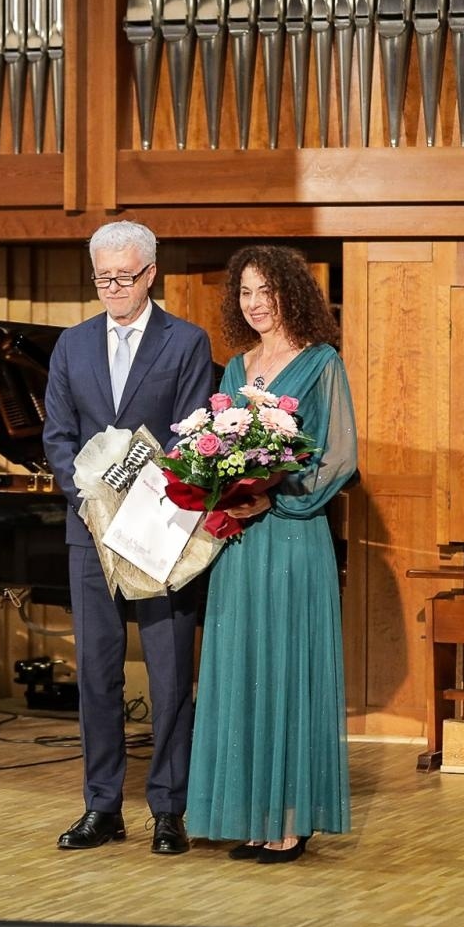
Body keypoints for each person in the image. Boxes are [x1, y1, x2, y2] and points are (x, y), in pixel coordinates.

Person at [42, 220, 215, 855]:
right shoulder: (72, 345)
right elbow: (58, 435)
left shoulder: (186, 342)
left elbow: (190, 431)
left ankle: (169, 809)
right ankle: (102, 806)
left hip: (160, 529)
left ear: (150, 275)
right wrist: (92, 498)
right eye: (102, 278)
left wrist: (137, 493)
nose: (113, 288)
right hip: (89, 531)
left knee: (169, 674)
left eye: (124, 277)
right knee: (96, 672)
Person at [185, 244, 357, 864]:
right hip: (241, 544)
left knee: (286, 670)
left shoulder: (321, 362)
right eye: (245, 293)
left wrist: (275, 498)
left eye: (267, 291)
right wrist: (223, 490)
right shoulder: (237, 367)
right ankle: (252, 817)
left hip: (291, 534)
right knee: (242, 671)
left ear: (291, 294)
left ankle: (289, 819)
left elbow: (338, 456)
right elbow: (216, 448)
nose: (255, 304)